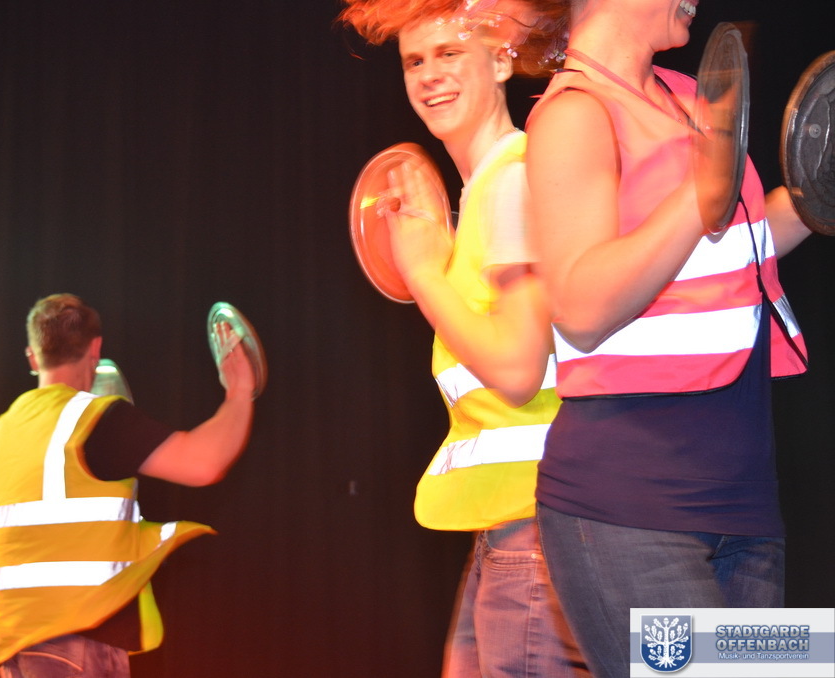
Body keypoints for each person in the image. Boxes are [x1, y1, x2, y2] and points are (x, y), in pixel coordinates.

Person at [523, 1, 813, 676]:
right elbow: (580, 307)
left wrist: (815, 192)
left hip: (747, 508)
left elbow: (732, 245)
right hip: (633, 511)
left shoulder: (688, 95)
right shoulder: (574, 113)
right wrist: (699, 188)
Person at [340, 2, 586, 675]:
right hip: (513, 525)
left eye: (449, 53)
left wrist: (424, 274)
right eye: (414, 61)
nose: (429, 75)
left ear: (502, 59)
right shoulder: (486, 189)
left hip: (538, 523)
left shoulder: (511, 181)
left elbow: (517, 368)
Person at [0, 293, 256, 677]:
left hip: (17, 650)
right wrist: (239, 391)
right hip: (77, 643)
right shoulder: (93, 420)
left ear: (33, 358)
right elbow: (205, 463)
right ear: (95, 349)